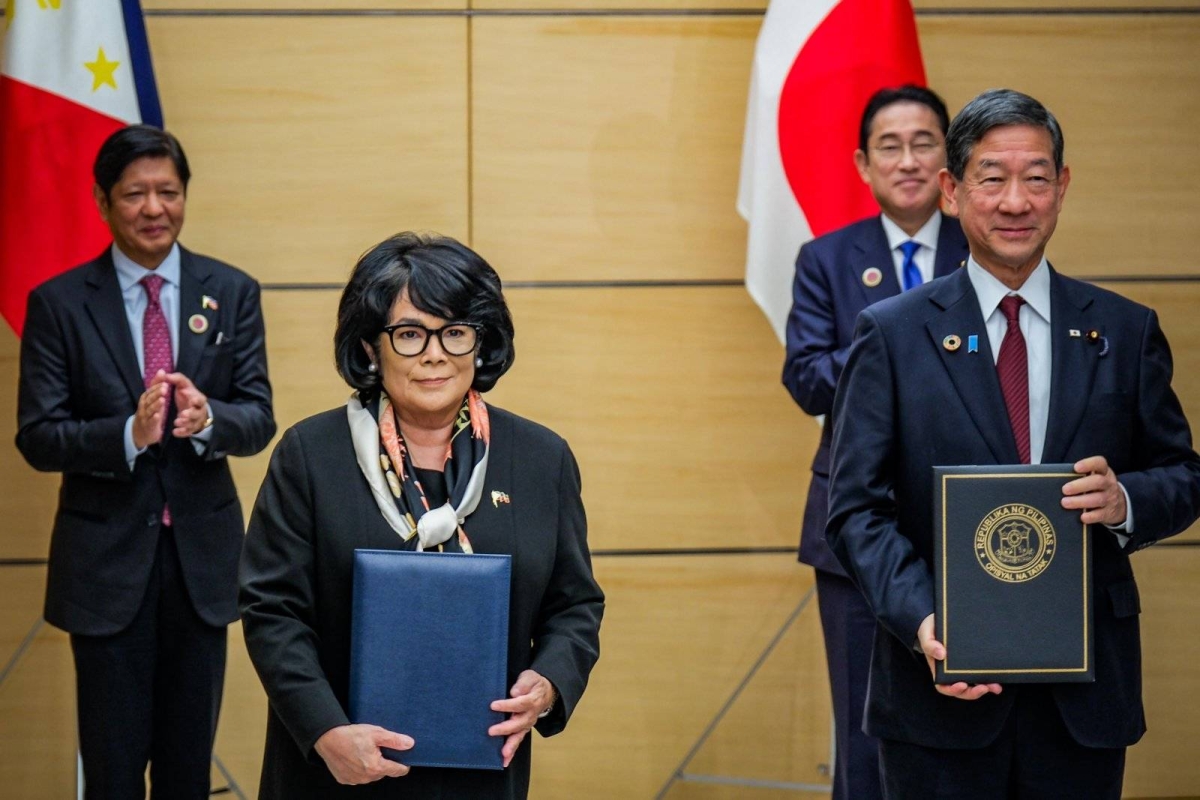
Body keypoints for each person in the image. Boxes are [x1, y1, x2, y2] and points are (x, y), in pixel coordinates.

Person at [826, 88, 1200, 798]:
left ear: (1061, 188)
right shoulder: (892, 334)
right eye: (992, 178)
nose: (1014, 201)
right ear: (951, 191)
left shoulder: (1123, 331)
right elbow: (855, 512)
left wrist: (1125, 500)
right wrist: (925, 622)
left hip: (1083, 697)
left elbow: (1183, 474)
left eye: (1035, 178)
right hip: (941, 691)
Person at [239, 232, 604, 798]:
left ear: (481, 344)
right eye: (410, 334)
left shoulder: (541, 458)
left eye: (455, 333)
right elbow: (271, 609)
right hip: (336, 771)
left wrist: (550, 682)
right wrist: (326, 730)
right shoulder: (311, 454)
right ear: (369, 347)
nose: (435, 354)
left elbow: (575, 603)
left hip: (481, 771)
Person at [15, 125, 276, 799]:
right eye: (135, 194)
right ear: (103, 202)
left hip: (202, 565)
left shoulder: (233, 291)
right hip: (106, 569)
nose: (154, 208)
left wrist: (208, 420)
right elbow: (38, 436)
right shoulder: (59, 303)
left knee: (188, 769)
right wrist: (126, 434)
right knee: (112, 771)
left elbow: (258, 417)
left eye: (168, 191)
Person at [781, 84, 967, 800]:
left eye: (925, 143)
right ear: (864, 164)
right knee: (863, 730)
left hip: (962, 517)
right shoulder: (827, 258)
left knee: (968, 720)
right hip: (852, 528)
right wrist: (901, 355)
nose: (909, 160)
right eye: (890, 146)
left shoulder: (981, 248)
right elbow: (804, 377)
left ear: (948, 160)